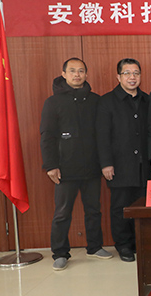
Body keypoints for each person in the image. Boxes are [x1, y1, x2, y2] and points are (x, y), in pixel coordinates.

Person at [40, 58, 112, 271]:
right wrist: (51, 165)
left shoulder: (96, 100)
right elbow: (47, 136)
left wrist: (104, 162)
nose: (77, 75)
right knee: (62, 212)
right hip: (65, 168)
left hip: (92, 166)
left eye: (81, 71)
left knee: (94, 210)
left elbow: (102, 135)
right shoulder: (53, 102)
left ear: (86, 74)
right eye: (72, 71)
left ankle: (95, 247)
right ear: (63, 74)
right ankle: (60, 253)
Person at [96, 58, 149, 262]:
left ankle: (138, 242)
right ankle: (124, 245)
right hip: (119, 165)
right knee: (121, 207)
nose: (132, 77)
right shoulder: (107, 101)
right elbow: (102, 136)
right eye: (127, 73)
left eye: (136, 73)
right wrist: (106, 163)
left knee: (141, 206)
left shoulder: (147, 100)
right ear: (118, 77)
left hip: (142, 165)